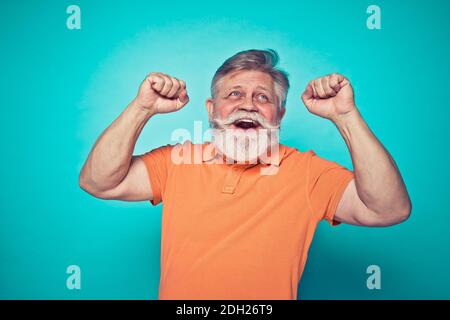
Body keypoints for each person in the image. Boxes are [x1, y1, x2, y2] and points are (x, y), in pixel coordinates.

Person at [79, 49, 411, 299]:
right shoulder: (176, 161)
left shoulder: (308, 173)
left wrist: (346, 116)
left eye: (262, 97)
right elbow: (98, 181)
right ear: (211, 110)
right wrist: (143, 108)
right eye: (234, 93)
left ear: (279, 115)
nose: (248, 104)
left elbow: (388, 209)